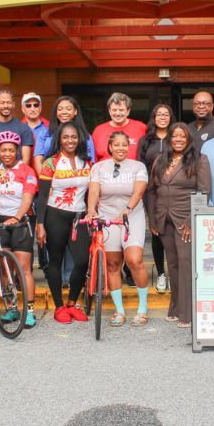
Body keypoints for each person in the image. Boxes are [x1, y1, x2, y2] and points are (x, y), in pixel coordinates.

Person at [146, 122, 210, 326]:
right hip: (163, 219)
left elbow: (204, 192)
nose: (178, 139)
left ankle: (187, 313)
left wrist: (192, 221)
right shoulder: (160, 159)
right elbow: (152, 191)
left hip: (185, 219)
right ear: (170, 139)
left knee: (185, 263)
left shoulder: (199, 160)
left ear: (189, 139)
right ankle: (175, 307)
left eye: (183, 136)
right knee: (172, 265)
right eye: (174, 136)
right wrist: (153, 219)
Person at [86, 131, 150, 326]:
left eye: (125, 144)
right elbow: (94, 190)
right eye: (117, 145)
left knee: (134, 260)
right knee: (113, 264)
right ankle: (119, 311)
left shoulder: (138, 166)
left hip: (132, 216)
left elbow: (139, 191)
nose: (121, 148)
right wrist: (91, 210)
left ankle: (142, 307)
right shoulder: (99, 167)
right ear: (110, 147)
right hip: (107, 217)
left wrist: (126, 209)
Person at [36, 122, 93, 322]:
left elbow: (90, 194)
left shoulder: (87, 163)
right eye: (66, 137)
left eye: (74, 137)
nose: (70, 141)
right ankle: (59, 307)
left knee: (82, 261)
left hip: (79, 216)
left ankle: (72, 304)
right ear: (59, 140)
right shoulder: (50, 163)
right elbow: (42, 196)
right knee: (56, 261)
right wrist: (40, 224)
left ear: (80, 139)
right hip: (55, 215)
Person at [0, 136, 40, 327]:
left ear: (17, 151)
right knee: (4, 268)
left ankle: (30, 311)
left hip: (19, 223)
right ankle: (12, 308)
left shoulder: (27, 171)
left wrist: (17, 217)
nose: (7, 154)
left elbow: (27, 198)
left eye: (11, 150)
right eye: (3, 150)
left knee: (24, 269)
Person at [138, 103, 177, 292]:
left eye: (166, 114)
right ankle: (161, 273)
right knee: (156, 231)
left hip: (175, 192)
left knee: (174, 232)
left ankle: (175, 274)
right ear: (154, 117)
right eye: (159, 114)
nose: (163, 117)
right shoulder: (146, 140)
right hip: (152, 191)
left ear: (171, 117)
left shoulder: (177, 137)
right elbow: (140, 166)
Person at [90, 92, 148, 166]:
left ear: (128, 111)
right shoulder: (98, 131)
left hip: (133, 175)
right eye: (114, 110)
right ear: (109, 111)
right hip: (105, 175)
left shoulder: (141, 128)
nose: (117, 113)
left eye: (121, 110)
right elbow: (93, 160)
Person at [20, 91, 51, 157]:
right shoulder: (18, 128)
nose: (32, 109)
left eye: (36, 105)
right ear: (23, 109)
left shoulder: (50, 126)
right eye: (28, 106)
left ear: (40, 108)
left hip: (45, 166)